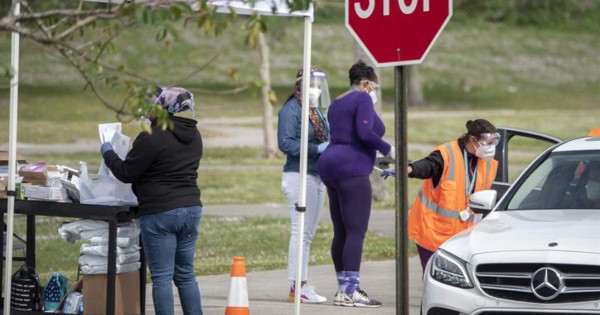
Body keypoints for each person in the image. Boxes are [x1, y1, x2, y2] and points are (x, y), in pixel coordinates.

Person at [100, 87, 204, 315]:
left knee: (162, 277)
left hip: (160, 212)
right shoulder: (195, 135)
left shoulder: (152, 136)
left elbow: (126, 172)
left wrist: (108, 152)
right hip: (192, 208)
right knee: (186, 274)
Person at [318, 60, 392, 308]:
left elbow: (376, 127)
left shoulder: (337, 102)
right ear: (365, 83)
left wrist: (370, 114)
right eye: (374, 87)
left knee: (341, 230)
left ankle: (342, 290)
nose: (374, 92)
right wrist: (389, 150)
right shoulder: (361, 98)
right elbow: (366, 135)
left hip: (329, 164)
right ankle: (351, 290)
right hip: (351, 167)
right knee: (356, 231)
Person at [407, 119, 499, 272]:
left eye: (494, 142)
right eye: (488, 142)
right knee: (436, 279)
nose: (491, 147)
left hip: (463, 237)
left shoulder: (487, 162)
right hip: (433, 233)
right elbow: (428, 166)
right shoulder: (446, 154)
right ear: (472, 140)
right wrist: (409, 169)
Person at [277, 66, 330, 304]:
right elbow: (285, 143)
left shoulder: (316, 111)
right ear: (300, 84)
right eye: (312, 84)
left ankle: (301, 284)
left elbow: (326, 137)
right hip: (299, 175)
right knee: (299, 232)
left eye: (319, 85)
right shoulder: (291, 110)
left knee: (308, 234)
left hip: (318, 175)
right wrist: (314, 149)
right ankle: (297, 285)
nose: (316, 89)